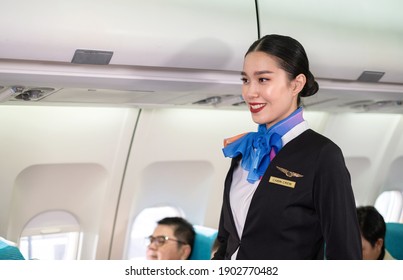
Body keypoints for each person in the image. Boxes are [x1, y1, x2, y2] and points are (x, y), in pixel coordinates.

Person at [212, 34, 362, 260]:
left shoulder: (322, 155)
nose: (250, 92)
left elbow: (344, 252)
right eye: (245, 80)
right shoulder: (244, 152)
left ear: (296, 84)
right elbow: (227, 238)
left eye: (263, 79)